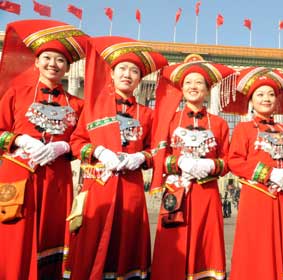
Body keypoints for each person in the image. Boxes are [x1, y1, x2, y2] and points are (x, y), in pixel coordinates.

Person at [63, 36, 167, 279]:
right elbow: (76, 142)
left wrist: (140, 158)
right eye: (122, 69)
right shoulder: (94, 107)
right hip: (98, 184)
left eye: (134, 71)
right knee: (92, 241)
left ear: (140, 80)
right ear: (111, 74)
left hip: (131, 188)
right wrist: (99, 151)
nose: (127, 74)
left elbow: (157, 150)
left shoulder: (148, 114)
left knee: (126, 241)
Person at [0, 19, 88, 280]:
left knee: (50, 235)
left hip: (56, 181)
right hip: (18, 177)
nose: (53, 64)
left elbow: (82, 141)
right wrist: (19, 140)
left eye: (60, 60)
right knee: (15, 233)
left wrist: (63, 146)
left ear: (68, 67)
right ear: (36, 62)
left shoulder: (77, 104)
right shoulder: (17, 92)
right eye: (47, 58)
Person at [150, 54, 235, 279]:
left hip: (206, 193)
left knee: (205, 245)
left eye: (199, 83)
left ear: (207, 90)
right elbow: (157, 154)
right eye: (188, 82)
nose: (193, 87)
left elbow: (228, 161)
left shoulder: (219, 123)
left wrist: (210, 165)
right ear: (181, 87)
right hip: (176, 191)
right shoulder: (169, 120)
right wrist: (178, 162)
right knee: (172, 244)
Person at [226, 67, 283, 280]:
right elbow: (234, 161)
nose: (266, 99)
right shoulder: (244, 129)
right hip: (257, 197)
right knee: (257, 245)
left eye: (270, 94)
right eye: (260, 94)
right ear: (251, 100)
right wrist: (268, 174)